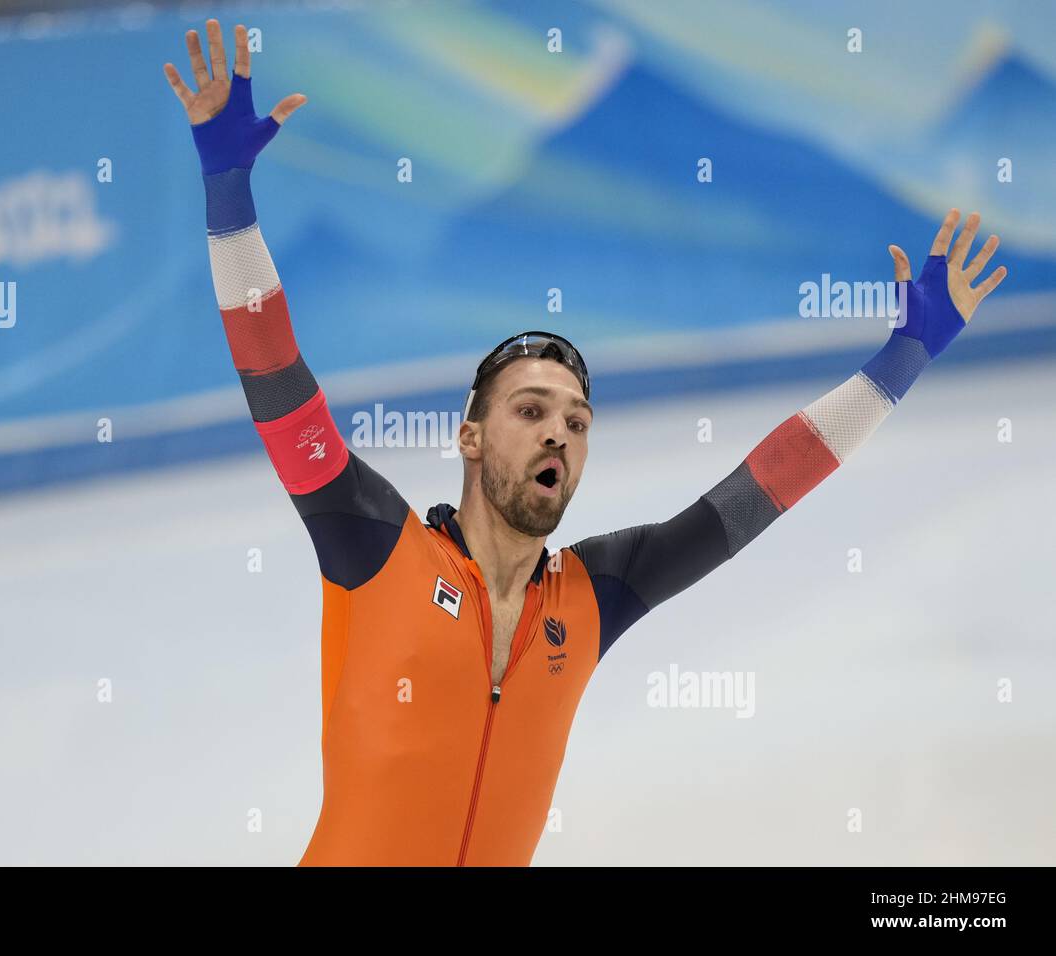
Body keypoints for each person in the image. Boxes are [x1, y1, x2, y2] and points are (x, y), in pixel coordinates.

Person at [162, 19, 1008, 866]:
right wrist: (226, 189)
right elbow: (275, 376)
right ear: (467, 436)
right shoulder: (375, 547)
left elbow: (760, 491)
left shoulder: (595, 596)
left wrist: (902, 359)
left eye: (575, 420)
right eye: (530, 410)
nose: (558, 431)